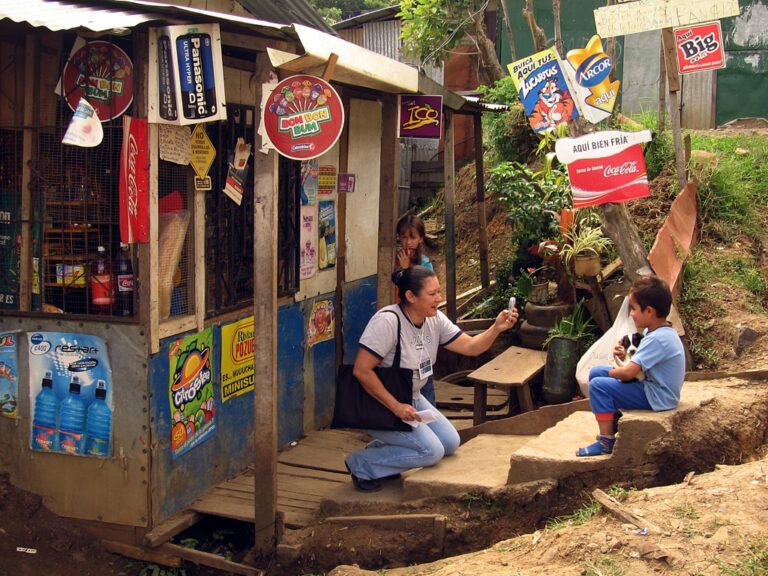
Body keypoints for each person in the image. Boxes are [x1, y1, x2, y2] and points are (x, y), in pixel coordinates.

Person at [345, 266, 519, 491]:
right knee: (431, 452)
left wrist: (496, 328)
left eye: (439, 292)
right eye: (432, 294)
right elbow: (361, 370)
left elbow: (470, 346)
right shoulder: (388, 322)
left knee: (449, 442)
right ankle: (361, 464)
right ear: (410, 296)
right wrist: (397, 407)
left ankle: (380, 452)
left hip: (412, 398)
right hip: (379, 405)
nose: (439, 298)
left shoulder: (434, 319)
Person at [577, 275, 685, 457]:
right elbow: (639, 362)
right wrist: (623, 356)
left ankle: (605, 441)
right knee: (596, 372)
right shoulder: (658, 332)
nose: (631, 314)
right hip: (652, 386)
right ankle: (615, 421)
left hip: (658, 396)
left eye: (633, 309)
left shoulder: (658, 339)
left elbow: (628, 373)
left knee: (598, 385)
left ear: (649, 311)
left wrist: (614, 372)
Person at [394, 214, 438, 405]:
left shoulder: (425, 263)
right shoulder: (392, 261)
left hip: (419, 326)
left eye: (412, 237)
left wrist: (405, 271)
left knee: (423, 370)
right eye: (403, 236)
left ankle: (431, 413)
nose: (408, 242)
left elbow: (413, 293)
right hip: (398, 324)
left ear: (420, 238)